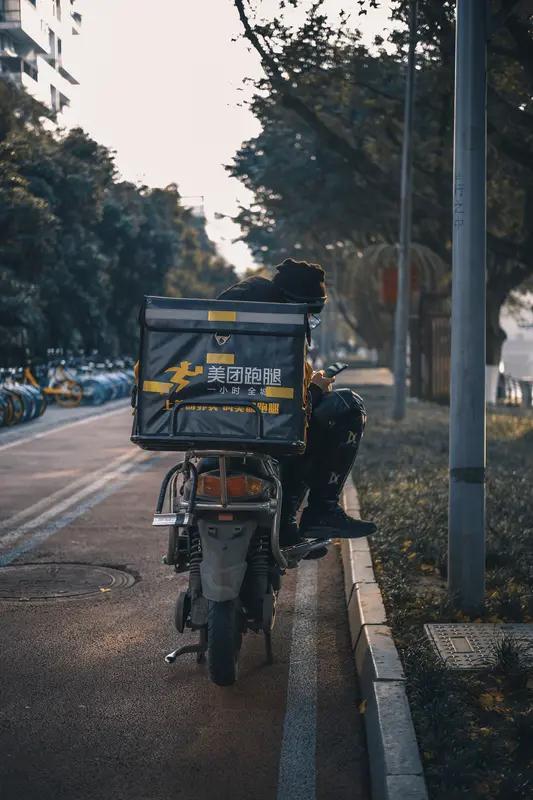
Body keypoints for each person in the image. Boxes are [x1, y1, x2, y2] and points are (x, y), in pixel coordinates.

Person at [218, 258, 376, 555]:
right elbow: (280, 397)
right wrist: (315, 388)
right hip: (261, 425)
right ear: (298, 306)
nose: (309, 324)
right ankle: (319, 512)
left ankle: (287, 525)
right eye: (312, 315)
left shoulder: (235, 310)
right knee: (345, 408)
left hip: (209, 422)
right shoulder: (279, 326)